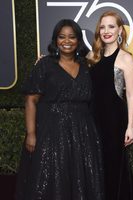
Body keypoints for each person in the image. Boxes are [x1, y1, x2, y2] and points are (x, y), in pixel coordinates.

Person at [15, 19, 105, 200]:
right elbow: (31, 100)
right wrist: (31, 133)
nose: (67, 41)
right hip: (51, 131)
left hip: (82, 133)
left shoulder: (86, 67)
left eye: (72, 37)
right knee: (50, 176)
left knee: (80, 176)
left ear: (78, 40)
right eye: (62, 37)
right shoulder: (45, 65)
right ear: (55, 40)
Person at [87, 11, 133, 200]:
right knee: (95, 165)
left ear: (120, 30)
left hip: (114, 121)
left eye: (111, 26)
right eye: (102, 27)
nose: (106, 31)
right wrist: (46, 61)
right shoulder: (92, 56)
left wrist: (130, 126)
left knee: (113, 165)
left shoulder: (126, 59)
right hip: (92, 119)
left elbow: (130, 95)